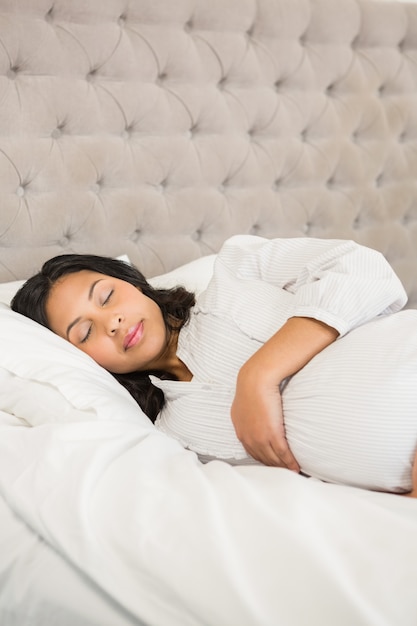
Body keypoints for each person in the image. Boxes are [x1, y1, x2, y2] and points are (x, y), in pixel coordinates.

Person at [10, 235, 417, 497]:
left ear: (132, 281)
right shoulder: (171, 435)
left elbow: (362, 269)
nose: (111, 321)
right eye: (85, 333)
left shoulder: (235, 271)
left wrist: (258, 374)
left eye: (107, 297)